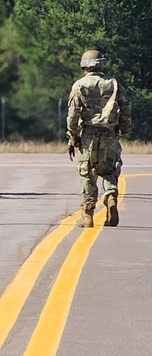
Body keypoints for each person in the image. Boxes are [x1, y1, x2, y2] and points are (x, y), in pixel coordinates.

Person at [67, 49, 132, 228]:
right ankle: (110, 196)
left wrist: (72, 137)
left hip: (88, 135)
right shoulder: (113, 83)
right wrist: (124, 128)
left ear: (84, 66)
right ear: (101, 64)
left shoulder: (79, 85)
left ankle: (87, 215)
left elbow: (73, 114)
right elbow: (126, 107)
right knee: (109, 171)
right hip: (110, 134)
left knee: (87, 173)